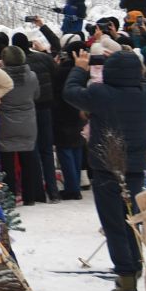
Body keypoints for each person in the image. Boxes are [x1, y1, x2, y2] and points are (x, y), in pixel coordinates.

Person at [64, 46, 146, 291]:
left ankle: (126, 281)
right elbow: (142, 78)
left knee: (114, 223)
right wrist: (128, 59)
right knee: (131, 219)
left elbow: (70, 93)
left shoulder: (100, 94)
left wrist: (80, 68)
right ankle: (135, 266)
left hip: (106, 166)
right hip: (136, 167)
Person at [0, 46, 43, 205]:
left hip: (6, 122)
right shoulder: (32, 76)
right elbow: (36, 95)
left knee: (7, 163)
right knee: (28, 161)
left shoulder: (0, 78)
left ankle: (10, 198)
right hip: (28, 122)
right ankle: (30, 197)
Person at [15, 30, 60, 200]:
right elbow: (55, 77)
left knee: (32, 149)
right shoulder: (44, 58)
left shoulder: (18, 65)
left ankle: (38, 191)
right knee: (47, 149)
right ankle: (54, 191)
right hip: (46, 108)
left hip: (29, 109)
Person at [52, 40, 88, 199]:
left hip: (62, 114)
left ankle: (72, 187)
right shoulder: (87, 71)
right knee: (77, 147)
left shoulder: (63, 71)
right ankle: (76, 184)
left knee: (65, 150)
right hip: (80, 112)